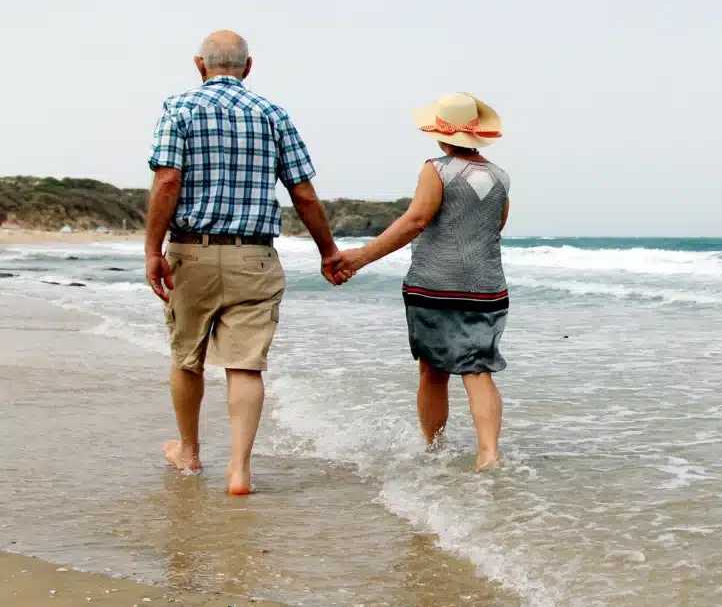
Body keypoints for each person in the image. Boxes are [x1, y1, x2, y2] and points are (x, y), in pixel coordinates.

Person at [144, 30, 343, 495]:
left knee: (187, 357)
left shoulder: (179, 108)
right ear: (248, 67)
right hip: (254, 256)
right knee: (245, 365)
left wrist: (153, 249)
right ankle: (239, 471)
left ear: (199, 65)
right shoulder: (273, 114)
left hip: (191, 251)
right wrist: (328, 251)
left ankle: (189, 453)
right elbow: (303, 193)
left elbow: (167, 182)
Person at [333, 92, 510, 471]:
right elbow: (494, 227)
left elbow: (415, 220)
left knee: (433, 371)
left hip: (435, 287)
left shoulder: (437, 169)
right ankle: (488, 453)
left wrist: (361, 256)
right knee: (478, 369)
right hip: (487, 288)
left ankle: (433, 449)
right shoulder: (501, 177)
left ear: (441, 135)